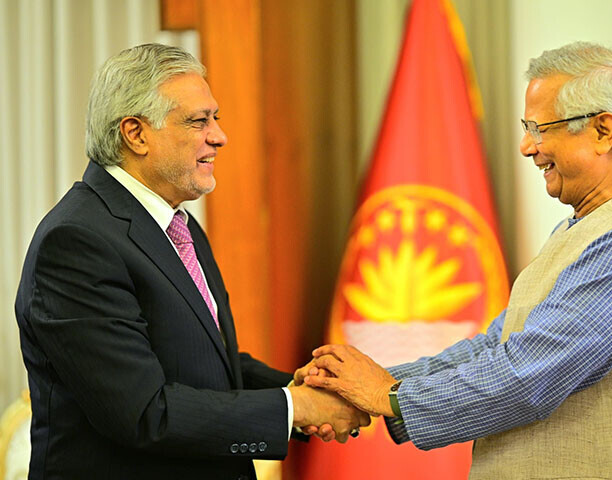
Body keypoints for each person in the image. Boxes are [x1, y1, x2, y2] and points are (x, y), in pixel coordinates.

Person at [298, 42, 612, 479]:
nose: (526, 146)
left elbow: (529, 377)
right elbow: (499, 346)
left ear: (603, 131)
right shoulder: (590, 225)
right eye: (526, 127)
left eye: (540, 128)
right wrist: (369, 385)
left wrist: (388, 396)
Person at [14, 43, 368, 480]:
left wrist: (300, 387)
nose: (219, 136)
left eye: (215, 118)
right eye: (199, 121)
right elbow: (144, 413)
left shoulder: (176, 223)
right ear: (135, 134)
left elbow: (204, 363)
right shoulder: (77, 241)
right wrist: (294, 407)